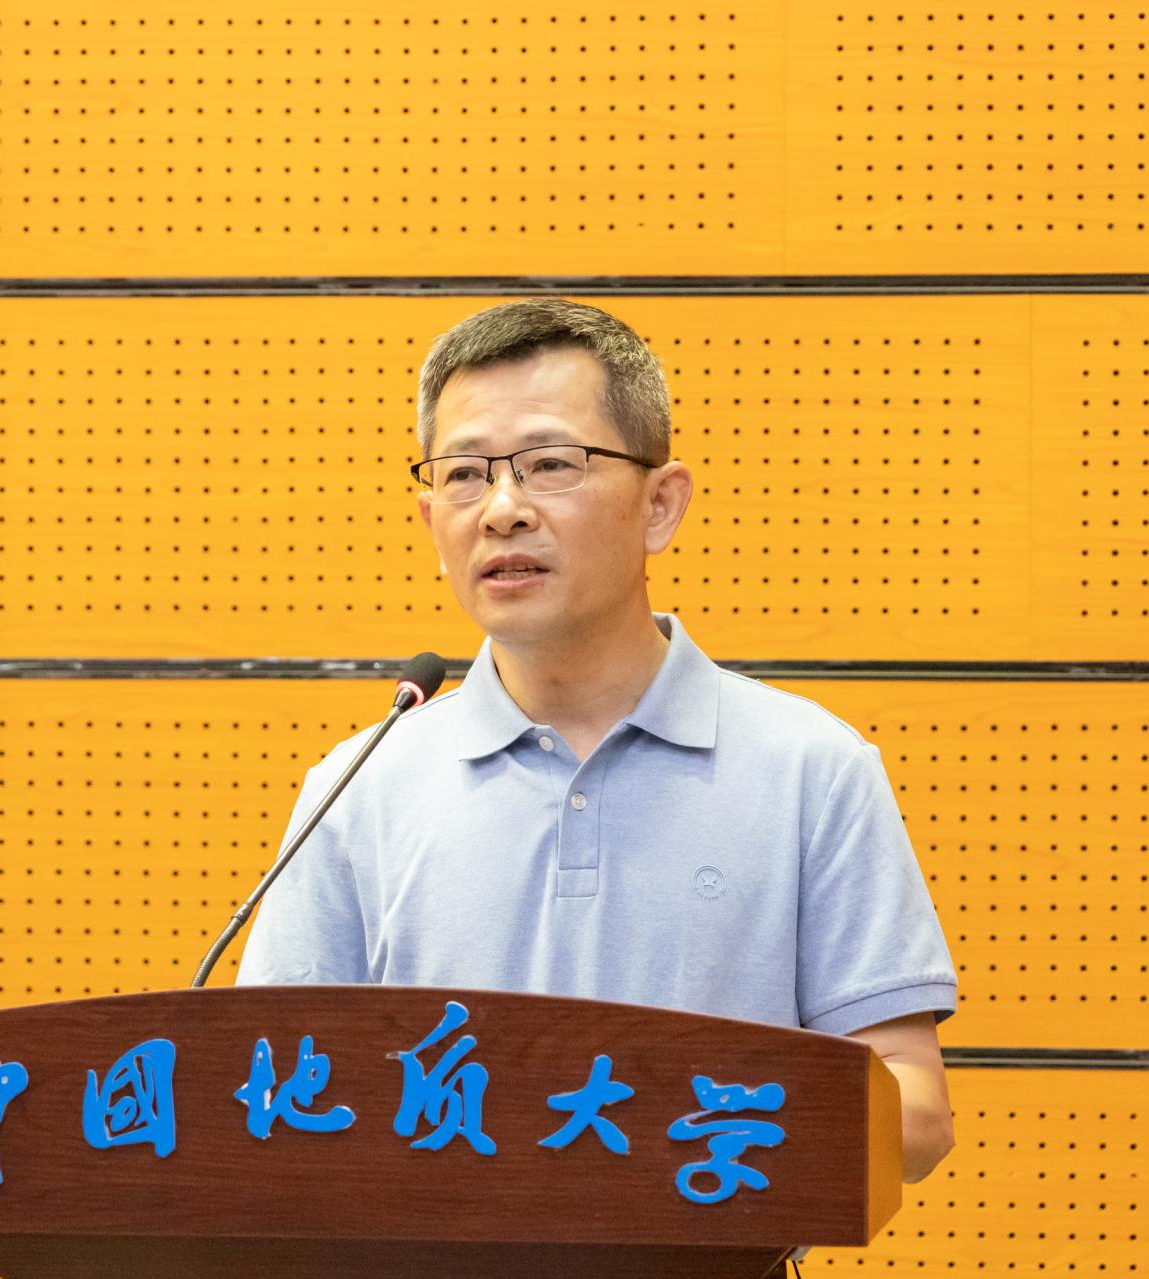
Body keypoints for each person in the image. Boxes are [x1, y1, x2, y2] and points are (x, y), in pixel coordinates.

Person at [235, 297, 957, 1183]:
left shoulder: (811, 768)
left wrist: (664, 1130)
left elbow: (914, 1114)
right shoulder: (358, 787)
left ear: (660, 505)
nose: (501, 510)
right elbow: (270, 1092)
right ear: (430, 522)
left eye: (550, 464)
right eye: (464, 475)